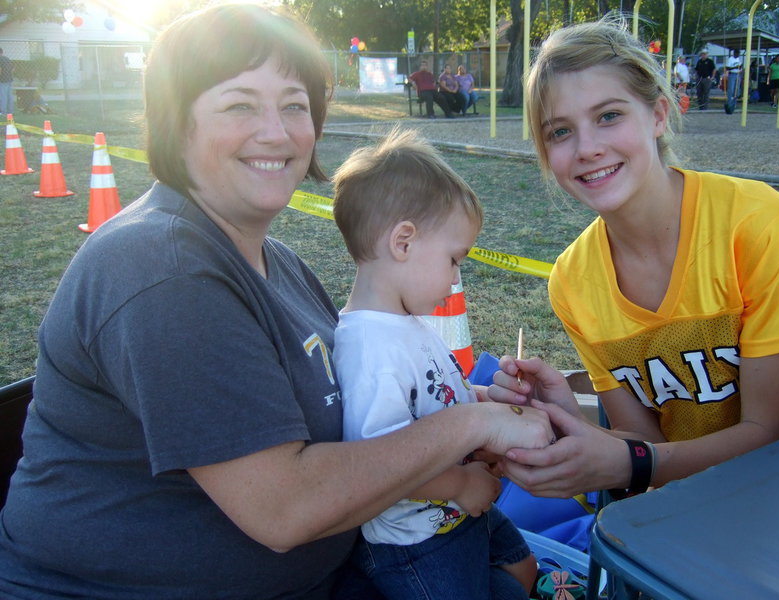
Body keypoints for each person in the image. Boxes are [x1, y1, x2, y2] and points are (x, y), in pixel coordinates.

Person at [0, 5, 553, 599]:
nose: (277, 131)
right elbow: (284, 511)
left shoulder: (277, 261)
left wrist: (464, 399)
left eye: (294, 105)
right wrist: (472, 422)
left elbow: (354, 405)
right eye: (240, 104)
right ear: (177, 123)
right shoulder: (164, 270)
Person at [489, 18, 779, 501]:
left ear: (658, 115)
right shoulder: (572, 282)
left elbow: (771, 435)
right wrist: (569, 424)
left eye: (609, 115)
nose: (589, 148)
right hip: (690, 510)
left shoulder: (761, 228)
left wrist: (628, 462)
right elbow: (650, 449)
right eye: (560, 131)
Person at [331, 128, 541, 600]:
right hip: (416, 541)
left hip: (458, 511)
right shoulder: (370, 350)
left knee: (523, 569)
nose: (455, 279)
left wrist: (490, 401)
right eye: (454, 260)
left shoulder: (408, 320)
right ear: (403, 242)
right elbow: (381, 466)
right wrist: (463, 482)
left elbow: (440, 398)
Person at [0, 48, 14, 115]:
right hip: (9, 79)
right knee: (9, 96)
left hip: (2, 80)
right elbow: (12, 69)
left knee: (3, 96)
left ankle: (3, 111)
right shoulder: (7, 59)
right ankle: (10, 111)